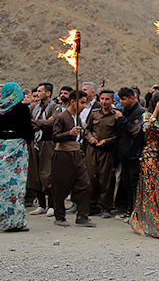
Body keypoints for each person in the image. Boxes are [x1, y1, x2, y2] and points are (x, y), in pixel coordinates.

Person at [51, 90, 97, 228]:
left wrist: (81, 134)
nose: (84, 106)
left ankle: (83, 215)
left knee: (84, 185)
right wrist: (69, 133)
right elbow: (55, 136)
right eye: (82, 102)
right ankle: (59, 216)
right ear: (72, 102)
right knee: (61, 186)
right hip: (63, 155)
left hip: (77, 154)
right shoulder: (61, 117)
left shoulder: (77, 118)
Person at [129, 93, 159, 239]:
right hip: (150, 158)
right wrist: (155, 113)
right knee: (151, 189)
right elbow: (146, 131)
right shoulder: (146, 116)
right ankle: (153, 225)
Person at [0, 82, 35, 232]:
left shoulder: (1, 108)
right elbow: (28, 129)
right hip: (17, 148)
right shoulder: (21, 108)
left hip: (1, 147)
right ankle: (13, 222)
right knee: (16, 187)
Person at [83, 89, 122, 218]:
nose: (104, 102)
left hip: (107, 152)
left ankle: (106, 207)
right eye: (102, 99)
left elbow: (118, 135)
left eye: (107, 99)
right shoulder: (94, 114)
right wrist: (91, 138)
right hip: (92, 151)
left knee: (106, 180)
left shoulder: (116, 115)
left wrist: (107, 141)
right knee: (91, 179)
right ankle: (92, 206)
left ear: (112, 101)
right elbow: (87, 129)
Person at [29, 81, 60, 216]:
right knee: (34, 174)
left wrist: (37, 123)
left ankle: (52, 205)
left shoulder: (55, 107)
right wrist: (43, 123)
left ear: (48, 93)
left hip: (48, 143)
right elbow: (28, 121)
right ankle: (41, 204)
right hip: (35, 142)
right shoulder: (34, 107)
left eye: (40, 91)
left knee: (47, 173)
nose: (38, 94)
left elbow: (53, 122)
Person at [116, 87, 145, 217]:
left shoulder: (140, 113)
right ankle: (128, 209)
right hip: (124, 154)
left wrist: (122, 119)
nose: (121, 102)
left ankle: (135, 210)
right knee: (125, 183)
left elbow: (134, 130)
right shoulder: (124, 112)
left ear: (132, 98)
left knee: (134, 184)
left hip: (134, 155)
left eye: (124, 99)